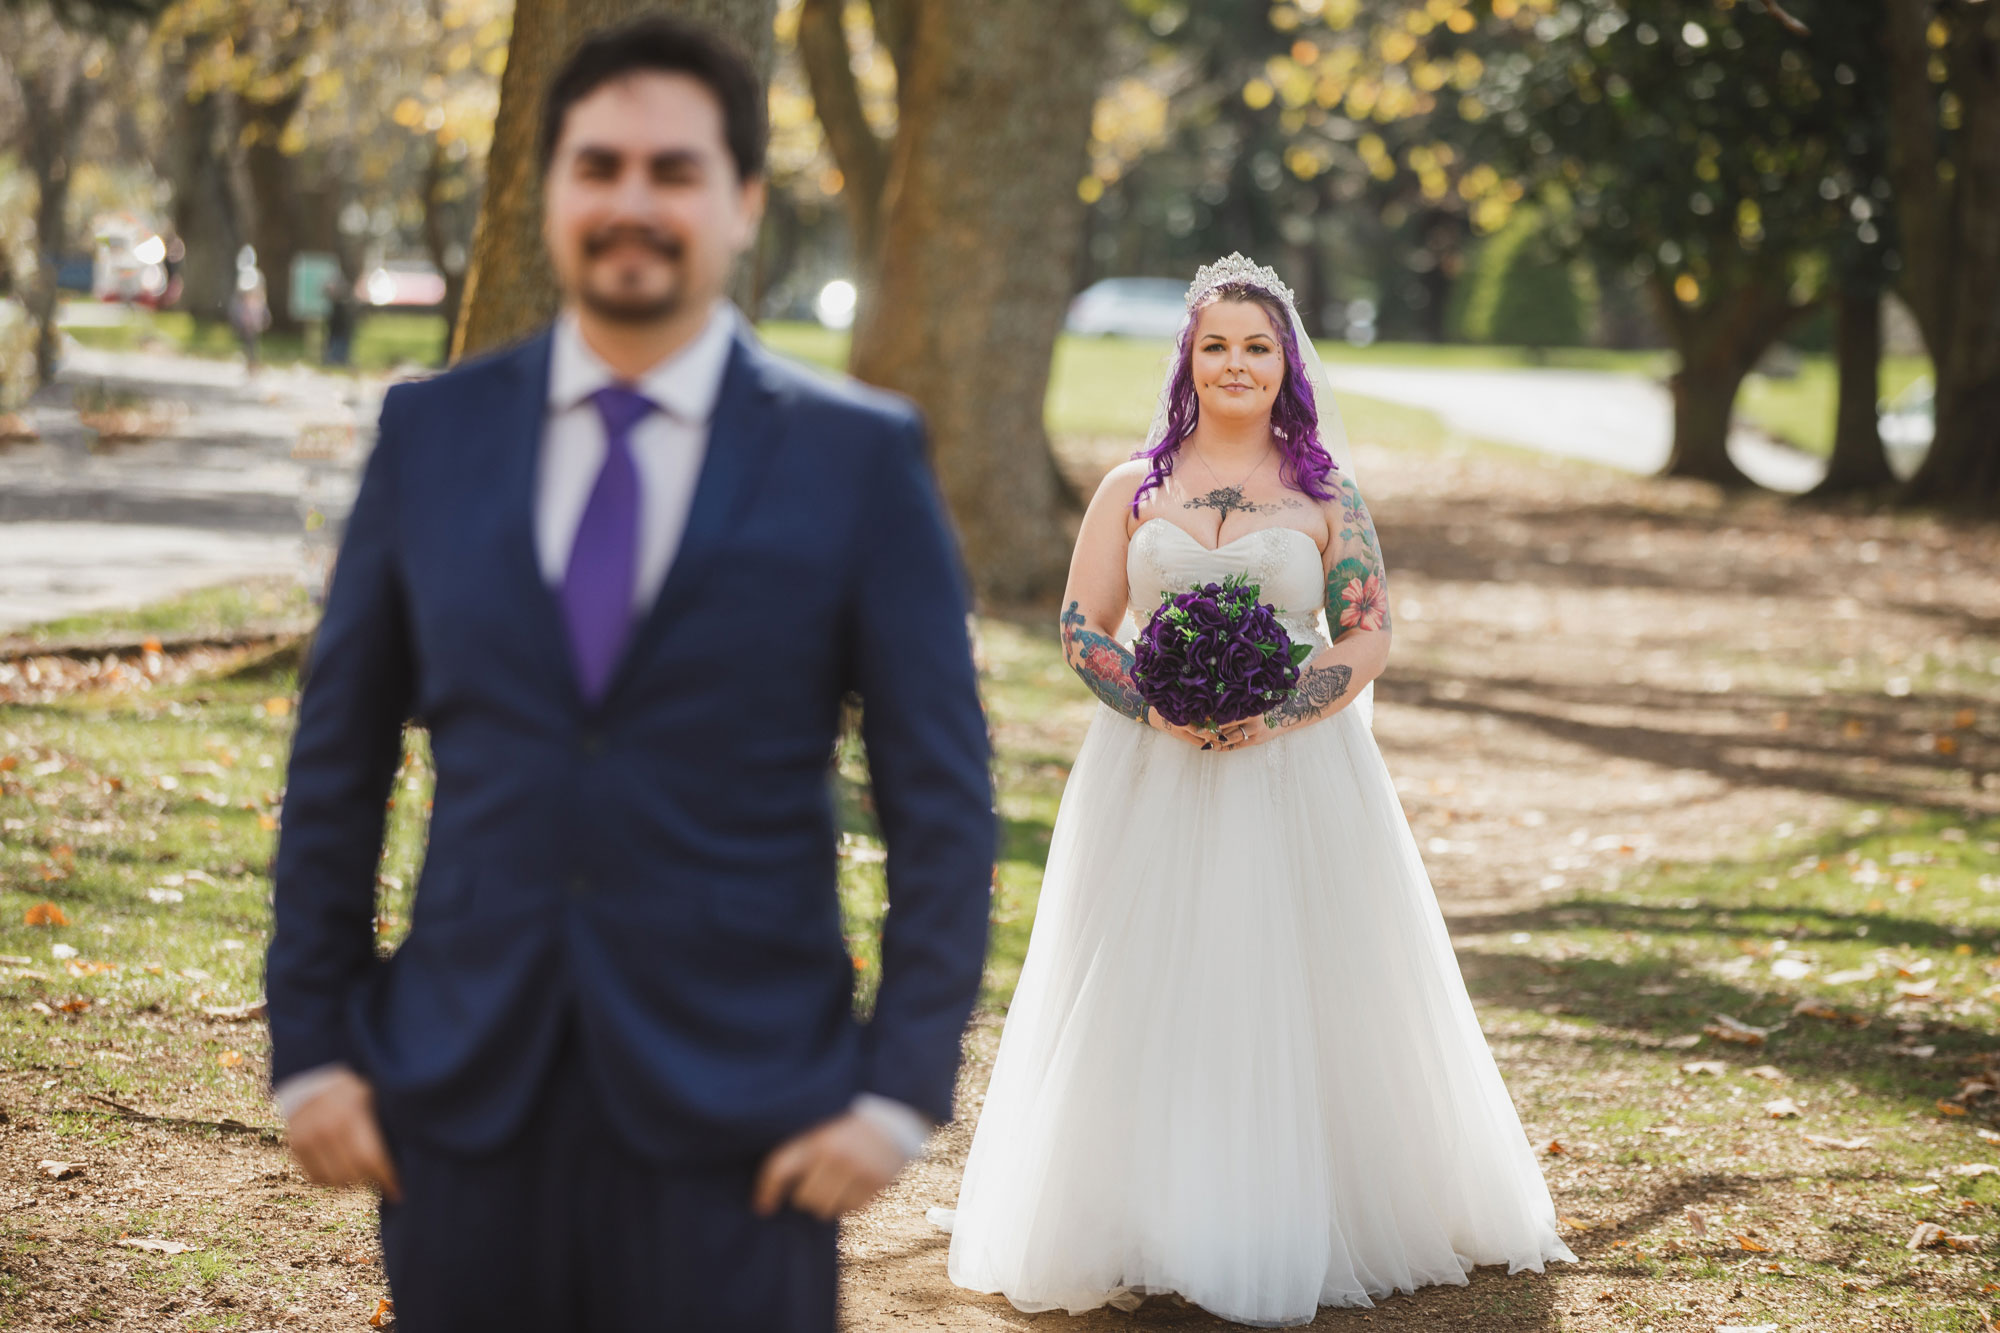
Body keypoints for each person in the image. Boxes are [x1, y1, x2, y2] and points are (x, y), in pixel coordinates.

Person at [263, 16, 995, 1332]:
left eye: (674, 171)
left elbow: (940, 799)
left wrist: (899, 1086)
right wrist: (312, 1043)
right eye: (598, 167)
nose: (633, 203)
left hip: (748, 1124)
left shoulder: (859, 461)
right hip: (460, 1110)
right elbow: (339, 761)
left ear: (742, 203)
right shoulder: (429, 435)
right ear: (547, 192)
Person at [940, 255, 1574, 1325]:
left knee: (1291, 980)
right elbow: (1080, 623)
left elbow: (1366, 630)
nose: (1235, 364)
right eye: (1214, 346)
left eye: (1256, 347)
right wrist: (1154, 703)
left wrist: (1277, 712)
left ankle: (1297, 1209)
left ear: (1286, 364)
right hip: (1149, 767)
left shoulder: (1326, 492)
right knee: (1147, 979)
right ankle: (1143, 1214)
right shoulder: (1129, 487)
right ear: (1188, 361)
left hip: (1296, 770)